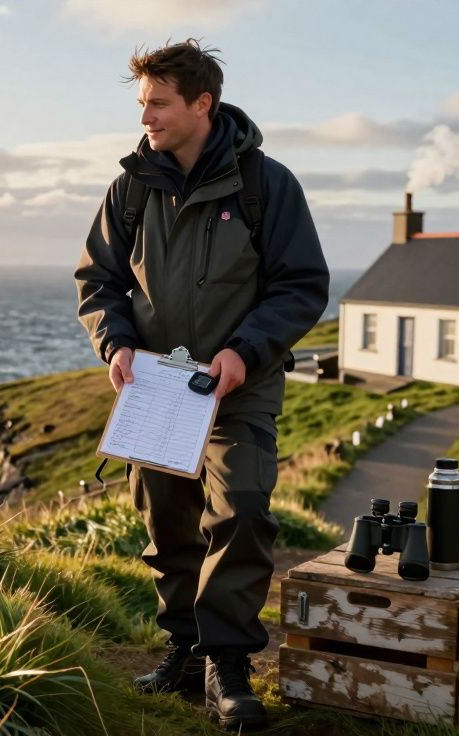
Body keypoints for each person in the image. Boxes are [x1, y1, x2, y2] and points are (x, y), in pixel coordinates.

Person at [74, 39, 329, 730]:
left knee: (241, 508)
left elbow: (302, 285)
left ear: (201, 104)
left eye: (159, 103)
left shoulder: (267, 185)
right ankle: (185, 652)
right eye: (142, 104)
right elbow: (99, 281)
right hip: (156, 388)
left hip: (237, 386)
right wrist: (117, 343)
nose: (146, 117)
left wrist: (246, 352)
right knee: (168, 523)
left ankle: (228, 666)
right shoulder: (131, 186)